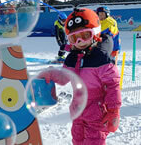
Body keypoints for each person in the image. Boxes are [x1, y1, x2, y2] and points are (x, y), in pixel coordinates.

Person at [39, 8, 122, 145]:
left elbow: (112, 85)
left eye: (85, 35)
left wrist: (114, 110)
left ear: (95, 33)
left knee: (94, 141)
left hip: (97, 113)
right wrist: (51, 74)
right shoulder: (72, 58)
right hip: (78, 111)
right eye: (74, 38)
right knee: (77, 140)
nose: (80, 41)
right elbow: (64, 77)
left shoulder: (101, 59)